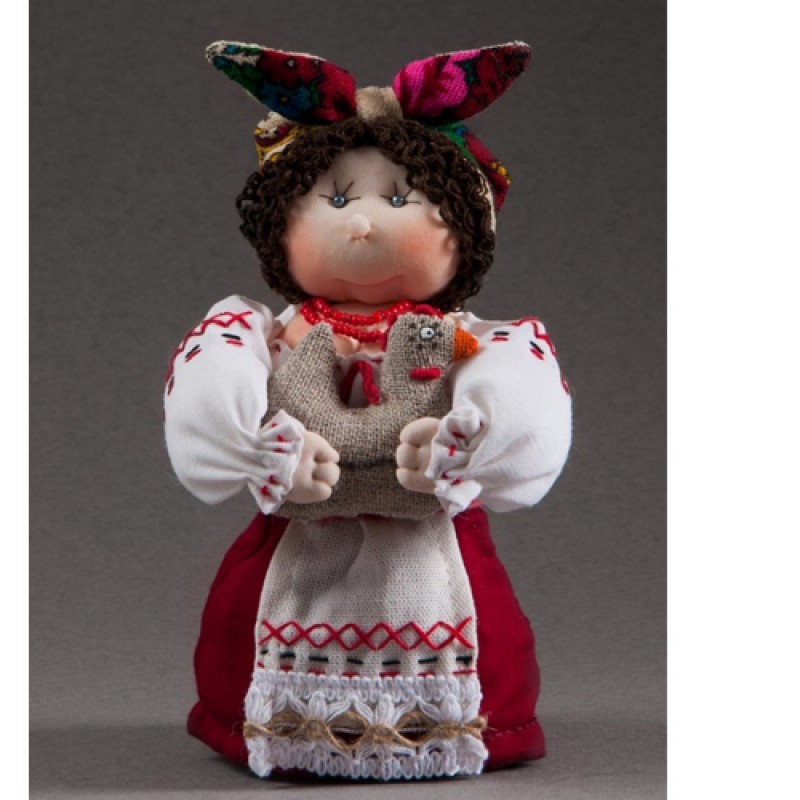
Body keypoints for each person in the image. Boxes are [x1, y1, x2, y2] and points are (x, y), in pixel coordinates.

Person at [164, 40, 572, 780]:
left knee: (465, 612)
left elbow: (524, 395)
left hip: (429, 542)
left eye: (400, 200)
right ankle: (292, 718)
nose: (363, 225)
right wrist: (261, 448)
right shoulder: (262, 335)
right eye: (337, 200)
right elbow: (211, 384)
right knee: (262, 611)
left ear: (466, 233)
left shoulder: (472, 343)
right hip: (302, 534)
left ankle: (431, 716)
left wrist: (468, 443)